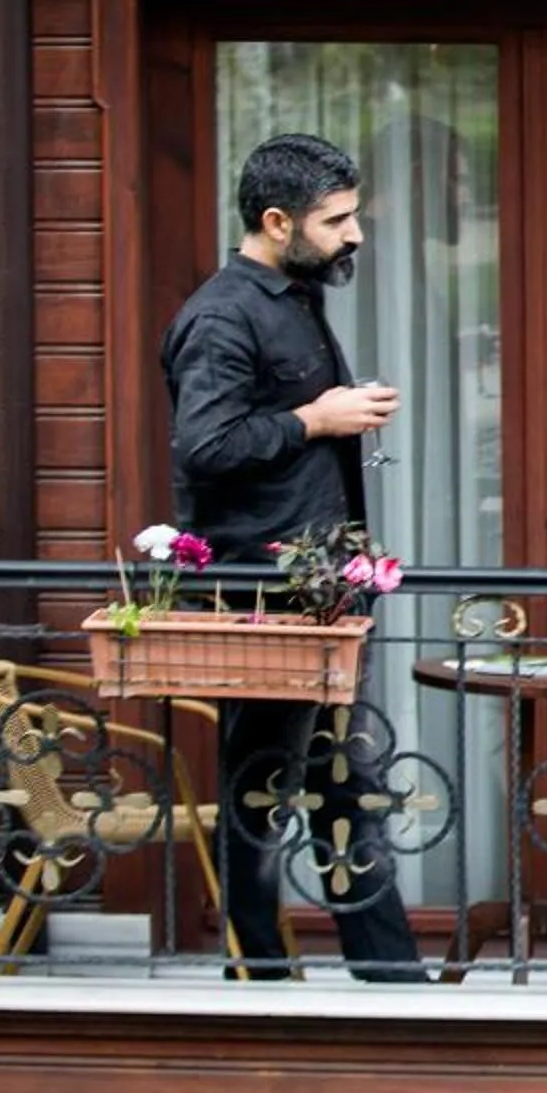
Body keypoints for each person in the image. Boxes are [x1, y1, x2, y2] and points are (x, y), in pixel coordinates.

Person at [160, 131, 425, 983]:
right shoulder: (222, 314)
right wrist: (318, 419)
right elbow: (205, 446)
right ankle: (261, 970)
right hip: (266, 597)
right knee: (264, 788)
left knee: (345, 781)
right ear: (277, 222)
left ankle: (385, 974)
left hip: (324, 593)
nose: (355, 235)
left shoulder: (292, 296)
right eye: (338, 219)